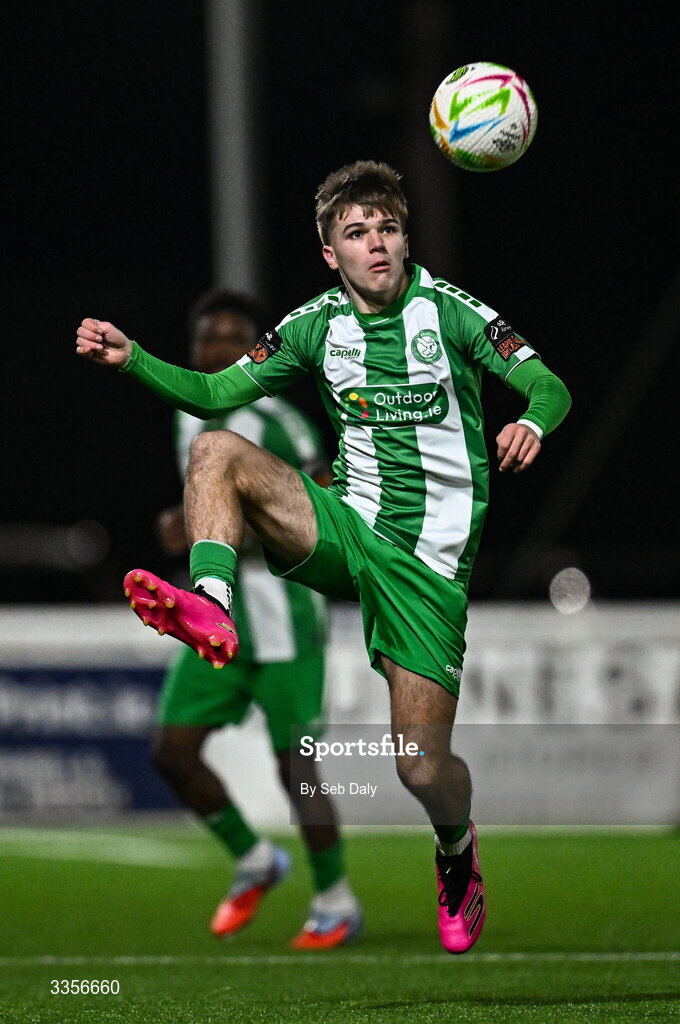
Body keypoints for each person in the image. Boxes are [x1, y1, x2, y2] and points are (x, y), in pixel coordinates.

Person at [76, 160, 571, 954]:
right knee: (215, 449)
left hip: (428, 571)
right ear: (329, 254)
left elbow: (548, 384)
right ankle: (211, 599)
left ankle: (456, 851)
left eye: (387, 228)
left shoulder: (450, 313)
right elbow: (212, 395)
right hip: (347, 528)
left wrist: (533, 423)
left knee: (421, 768)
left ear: (406, 238)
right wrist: (131, 357)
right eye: (357, 232)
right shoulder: (312, 327)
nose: (376, 243)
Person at [147, 289, 361, 950]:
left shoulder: (278, 423)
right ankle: (254, 859)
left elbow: (323, 512)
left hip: (287, 618)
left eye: (228, 339)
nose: (214, 351)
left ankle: (335, 899)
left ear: (253, 349)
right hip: (217, 617)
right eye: (204, 340)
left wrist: (232, 529)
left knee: (295, 768)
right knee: (172, 753)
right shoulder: (190, 418)